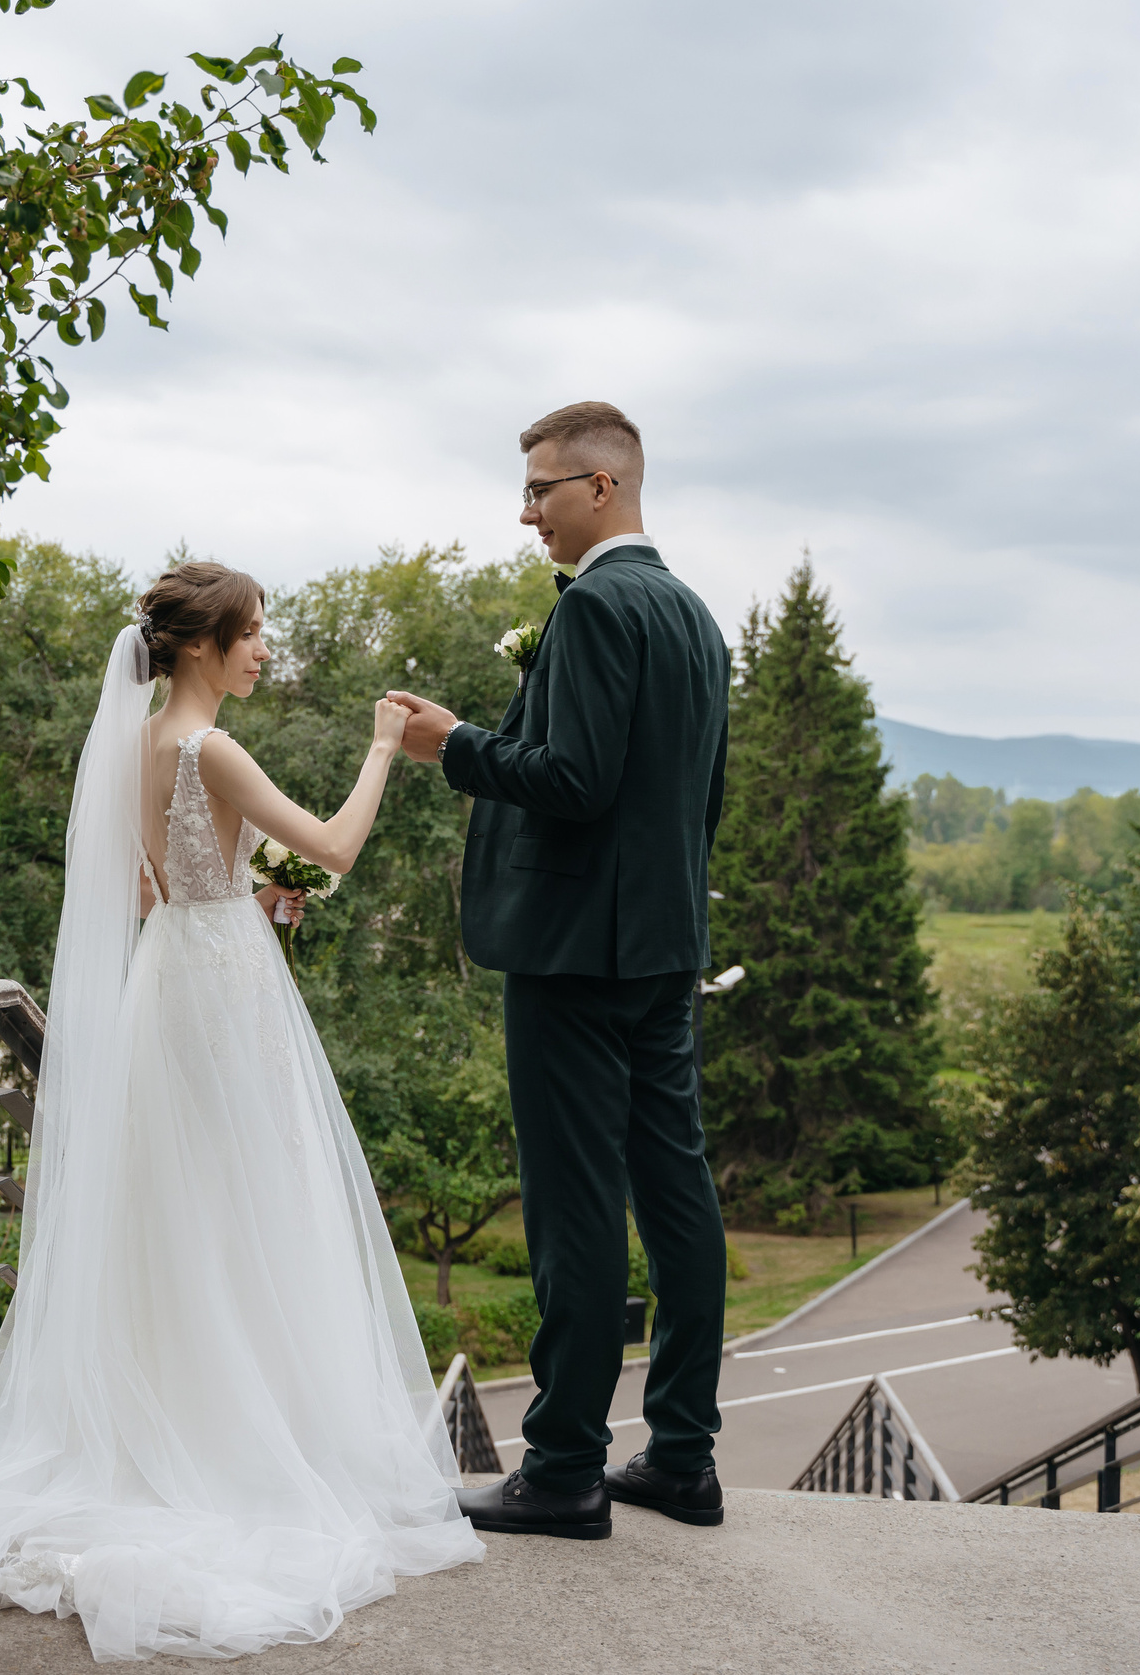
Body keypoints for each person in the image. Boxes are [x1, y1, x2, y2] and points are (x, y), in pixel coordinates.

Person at [0, 562, 483, 1662]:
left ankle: (183, 1422)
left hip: (174, 977)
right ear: (201, 645)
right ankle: (243, 1444)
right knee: (251, 1202)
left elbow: (167, 885)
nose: (264, 651)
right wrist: (385, 747)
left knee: (189, 1210)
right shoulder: (209, 746)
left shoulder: (135, 744)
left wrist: (259, 898)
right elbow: (337, 845)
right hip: (221, 989)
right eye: (253, 633)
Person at [386, 400, 732, 1540]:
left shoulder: (593, 609)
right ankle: (682, 1455)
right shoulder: (692, 615)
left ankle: (566, 1466)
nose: (525, 509)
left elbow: (575, 780)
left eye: (540, 488)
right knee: (675, 1191)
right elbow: (691, 802)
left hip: (575, 955)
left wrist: (457, 747)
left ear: (602, 488)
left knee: (575, 1203)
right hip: (663, 948)